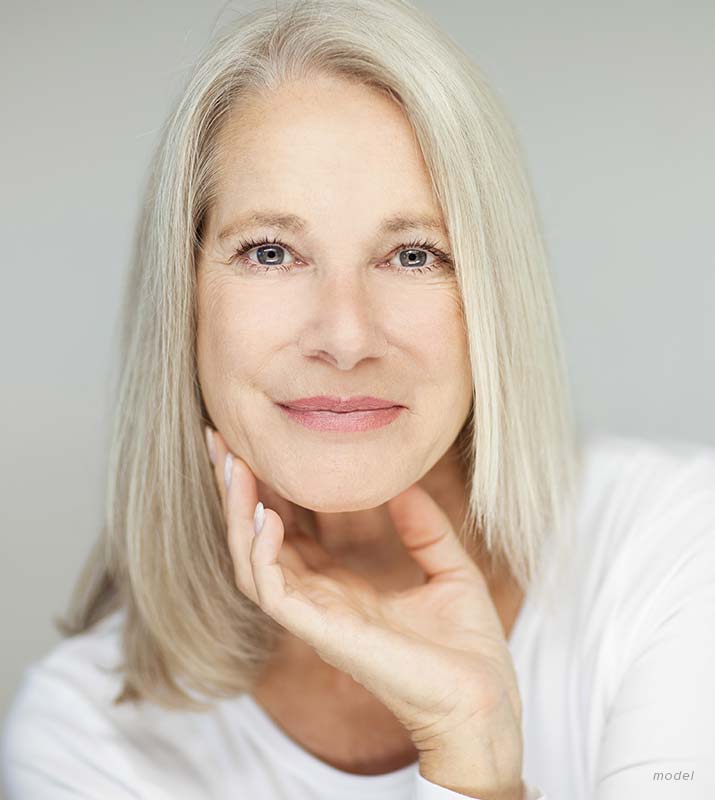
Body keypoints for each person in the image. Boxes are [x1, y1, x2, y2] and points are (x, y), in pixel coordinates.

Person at [3, 1, 714, 799]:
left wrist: (468, 738)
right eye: (270, 251)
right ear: (186, 300)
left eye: (413, 254)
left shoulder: (679, 548)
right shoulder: (87, 737)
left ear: (492, 295)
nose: (344, 337)